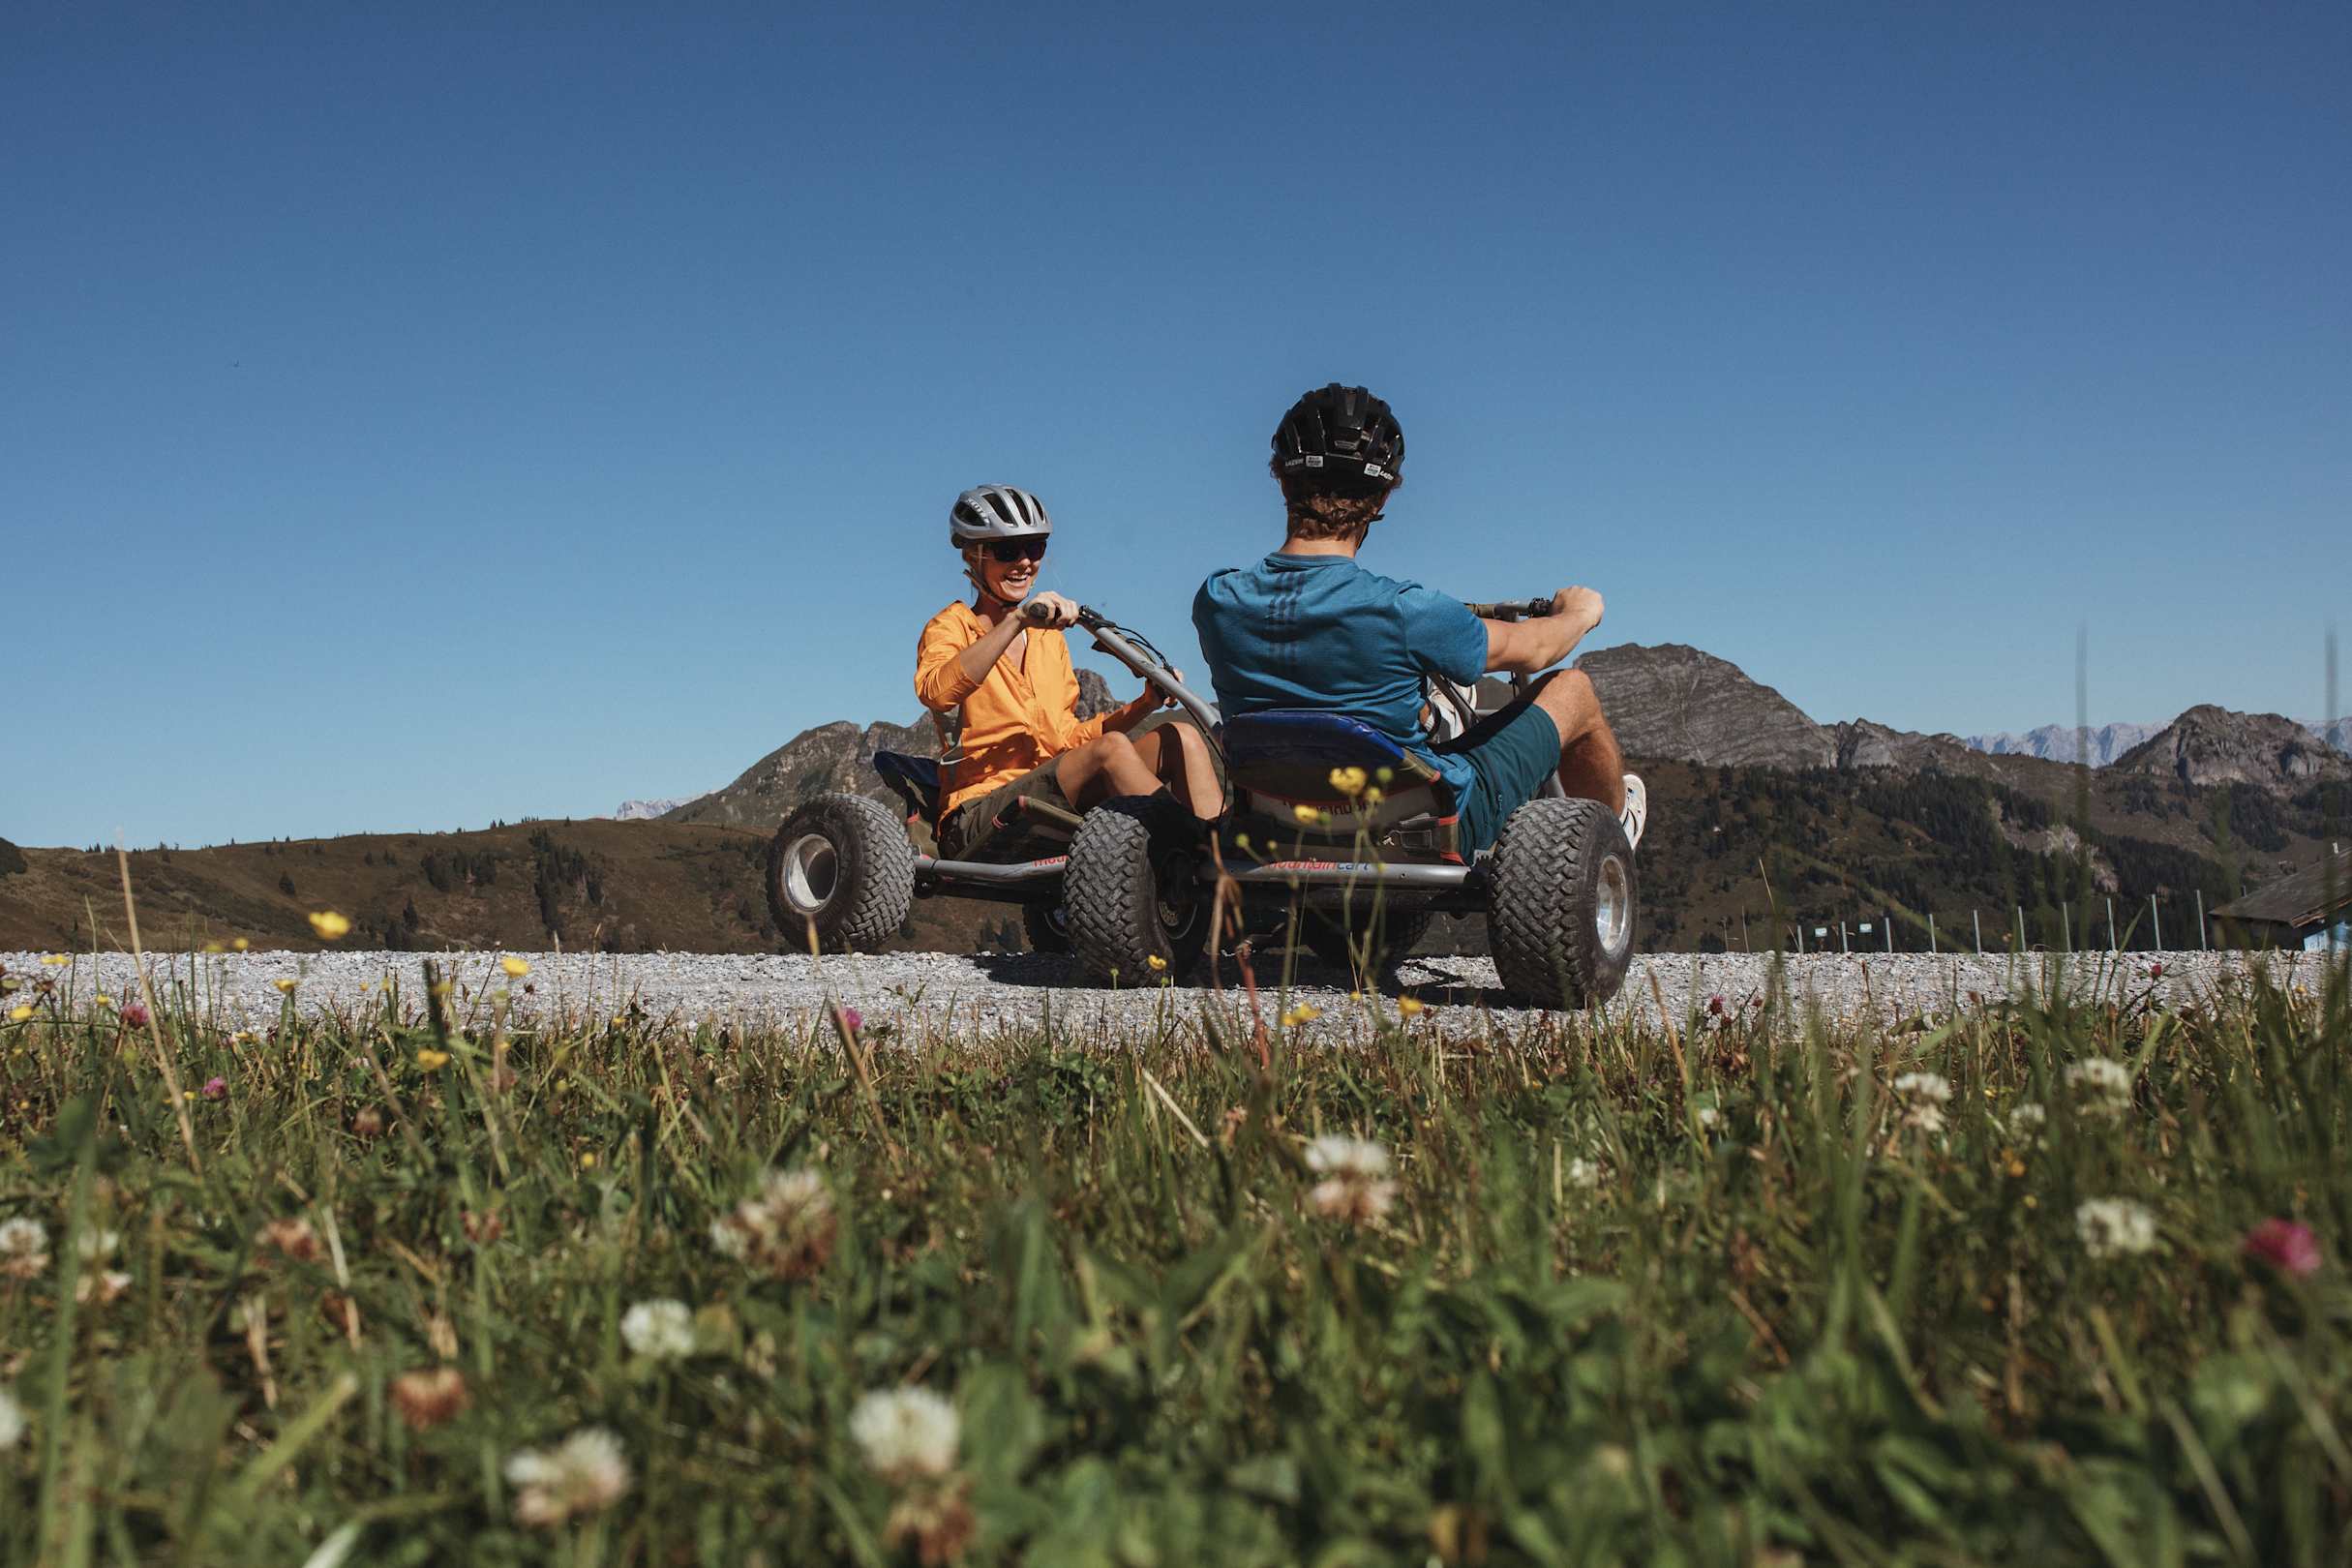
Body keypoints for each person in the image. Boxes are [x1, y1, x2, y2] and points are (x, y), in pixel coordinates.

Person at [1191, 383, 1646, 859]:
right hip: (1422, 827)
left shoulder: (1218, 600)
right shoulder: (1407, 610)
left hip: (1277, 823)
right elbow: (1535, 649)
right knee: (1574, 690)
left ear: (1282, 481)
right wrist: (1580, 612)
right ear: (1382, 498)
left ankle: (1431, 722)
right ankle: (1613, 837)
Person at [916, 485, 1218, 860]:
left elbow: (1069, 740)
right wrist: (1017, 621)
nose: (1024, 562)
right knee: (1110, 750)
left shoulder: (1048, 640)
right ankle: (1202, 860)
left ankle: (1226, 856)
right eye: (1007, 551)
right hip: (978, 814)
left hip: (1055, 790)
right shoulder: (949, 627)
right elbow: (937, 693)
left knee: (1181, 737)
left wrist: (1145, 704)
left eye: (1035, 548)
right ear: (972, 555)